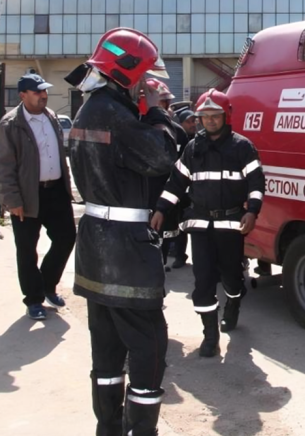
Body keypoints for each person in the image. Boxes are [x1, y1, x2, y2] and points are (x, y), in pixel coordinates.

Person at [66, 27, 178, 436]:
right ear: (129, 73)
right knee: (149, 346)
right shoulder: (118, 116)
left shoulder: (89, 109)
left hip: (96, 249)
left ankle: (108, 428)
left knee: (108, 351)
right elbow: (163, 156)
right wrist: (158, 111)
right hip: (126, 256)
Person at [151, 89, 265, 358]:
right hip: (201, 225)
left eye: (215, 116)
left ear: (226, 116)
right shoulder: (193, 148)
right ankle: (210, 335)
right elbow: (176, 183)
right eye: (205, 116)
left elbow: (257, 183)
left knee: (232, 277)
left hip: (231, 224)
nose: (210, 121)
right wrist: (161, 209)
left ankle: (234, 304)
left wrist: (253, 211)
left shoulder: (242, 147)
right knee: (202, 283)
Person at [0, 74, 76, 320]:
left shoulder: (51, 116)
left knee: (66, 237)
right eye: (37, 92)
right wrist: (12, 200)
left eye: (44, 91)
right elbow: (5, 166)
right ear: (23, 95)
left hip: (55, 192)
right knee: (26, 249)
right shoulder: (11, 124)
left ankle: (47, 284)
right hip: (26, 195)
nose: (43, 95)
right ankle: (33, 299)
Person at [145, 79, 190, 272]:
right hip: (140, 195)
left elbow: (183, 166)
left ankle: (162, 264)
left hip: (167, 193)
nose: (163, 107)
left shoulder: (177, 132)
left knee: (165, 234)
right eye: (159, 101)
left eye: (165, 102)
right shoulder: (135, 128)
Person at [168, 108, 198, 269]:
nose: (193, 124)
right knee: (179, 225)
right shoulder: (177, 137)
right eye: (189, 121)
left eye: (194, 121)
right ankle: (180, 255)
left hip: (194, 192)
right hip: (179, 189)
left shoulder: (200, 140)